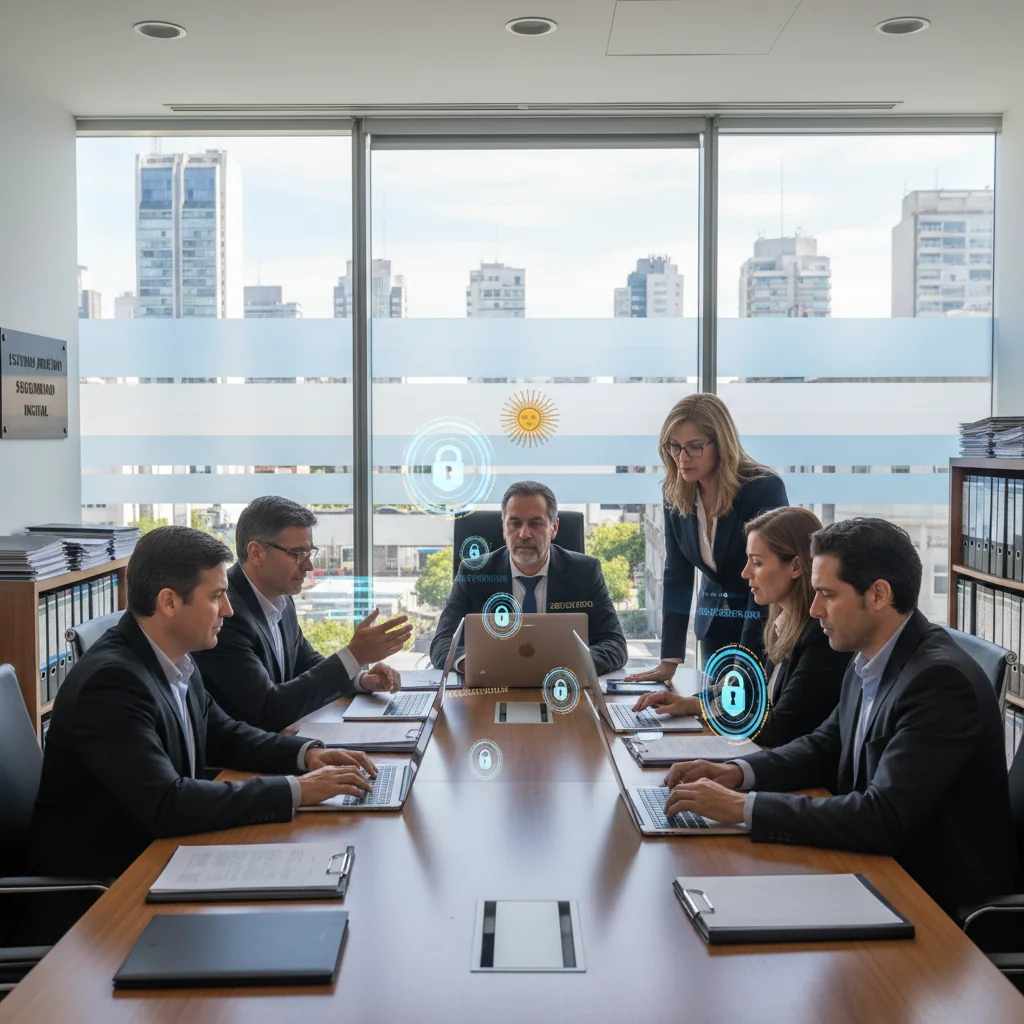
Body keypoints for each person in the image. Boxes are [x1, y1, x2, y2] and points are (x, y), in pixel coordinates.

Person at [661, 517, 1017, 917]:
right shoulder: (868, 656)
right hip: (876, 869)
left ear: (879, 594)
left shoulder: (938, 681)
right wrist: (736, 773)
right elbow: (823, 747)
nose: (814, 610)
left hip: (931, 898)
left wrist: (742, 808)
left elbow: (882, 818)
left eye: (827, 594)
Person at [31, 526, 380, 880]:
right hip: (107, 889)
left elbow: (223, 733)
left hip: (163, 855)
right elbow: (167, 803)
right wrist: (296, 790)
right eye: (216, 596)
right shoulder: (110, 684)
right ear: (168, 602)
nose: (228, 610)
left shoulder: (175, 656)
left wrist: (305, 755)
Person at [632, 506, 851, 747]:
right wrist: (691, 704)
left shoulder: (821, 636)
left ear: (796, 567)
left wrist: (707, 713)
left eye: (756, 562)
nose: (746, 573)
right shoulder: (780, 623)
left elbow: (779, 728)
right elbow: (750, 696)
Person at [193, 496, 412, 732]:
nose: (308, 566)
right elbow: (269, 709)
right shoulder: (225, 614)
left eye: (310, 553)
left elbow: (306, 664)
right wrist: (353, 656)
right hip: (241, 762)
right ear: (256, 553)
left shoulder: (281, 598)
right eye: (298, 554)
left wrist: (359, 679)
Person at [625, 393, 787, 679]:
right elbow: (677, 573)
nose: (682, 458)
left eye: (694, 447)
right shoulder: (675, 491)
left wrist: (747, 660)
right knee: (711, 713)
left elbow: (770, 575)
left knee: (745, 709)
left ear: (721, 444)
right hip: (713, 624)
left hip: (761, 623)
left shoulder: (762, 488)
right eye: (674, 447)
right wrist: (668, 661)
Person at [431, 481, 628, 676]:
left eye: (535, 524)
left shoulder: (584, 572)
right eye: (515, 523)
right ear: (503, 527)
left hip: (562, 688)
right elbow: (442, 642)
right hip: (492, 688)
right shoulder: (473, 573)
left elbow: (614, 644)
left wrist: (571, 664)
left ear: (554, 528)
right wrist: (475, 664)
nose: (524, 534)